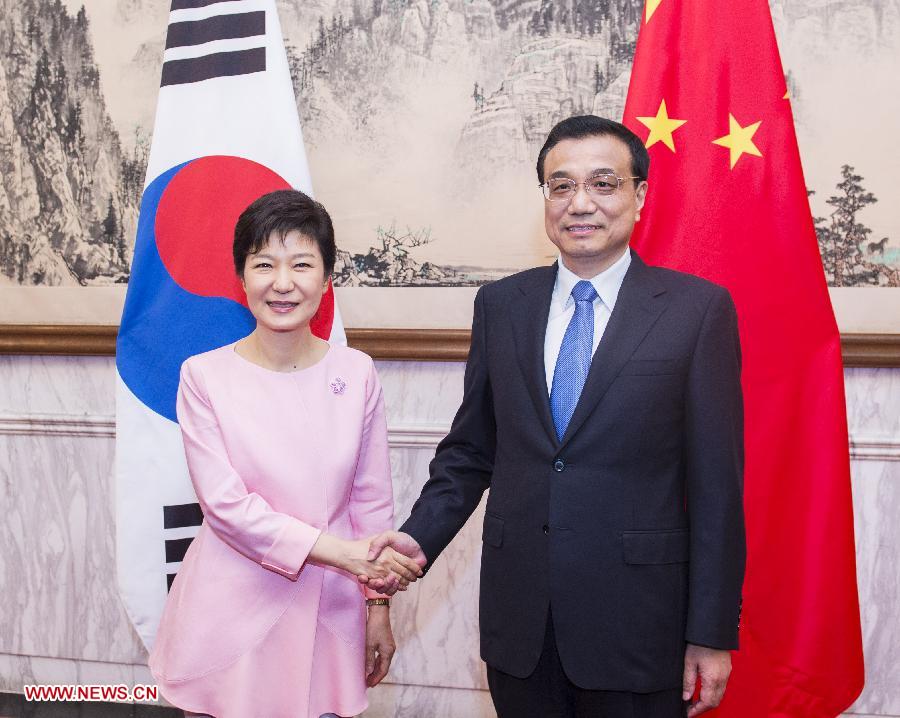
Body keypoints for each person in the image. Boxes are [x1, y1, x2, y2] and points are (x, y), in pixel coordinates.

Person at [365, 116, 746, 718]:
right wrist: (417, 539)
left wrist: (712, 631)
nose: (580, 203)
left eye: (603, 183)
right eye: (561, 186)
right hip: (522, 626)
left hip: (640, 626)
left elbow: (717, 490)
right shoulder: (502, 305)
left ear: (638, 195)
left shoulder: (696, 312)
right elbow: (471, 451)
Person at [149, 189, 422, 718]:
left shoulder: (356, 371)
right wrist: (347, 556)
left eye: (301, 264)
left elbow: (371, 501)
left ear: (325, 279)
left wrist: (378, 605)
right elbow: (227, 508)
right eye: (264, 264)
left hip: (330, 603)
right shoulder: (203, 376)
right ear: (242, 276)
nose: (282, 283)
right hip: (232, 605)